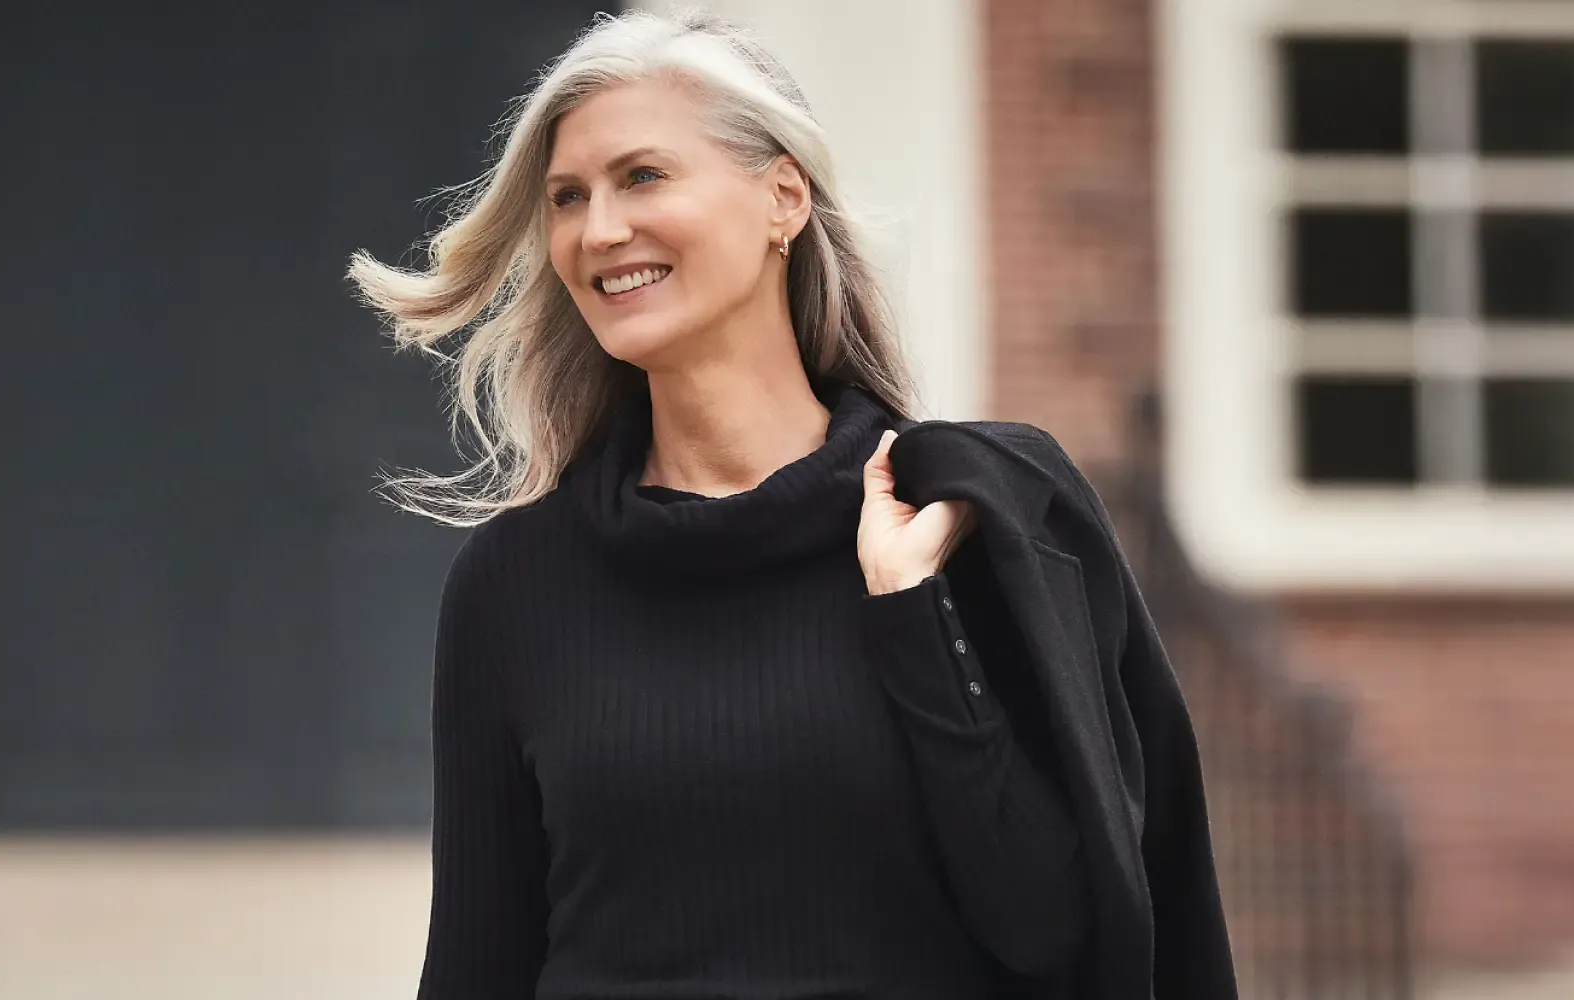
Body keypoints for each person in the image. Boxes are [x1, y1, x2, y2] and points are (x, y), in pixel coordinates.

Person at [346, 10, 1238, 1000]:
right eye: (567, 197)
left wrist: (911, 616)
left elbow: (1059, 933)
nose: (597, 231)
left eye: (641, 176)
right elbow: (475, 966)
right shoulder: (514, 582)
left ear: (781, 198)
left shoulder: (969, 521)